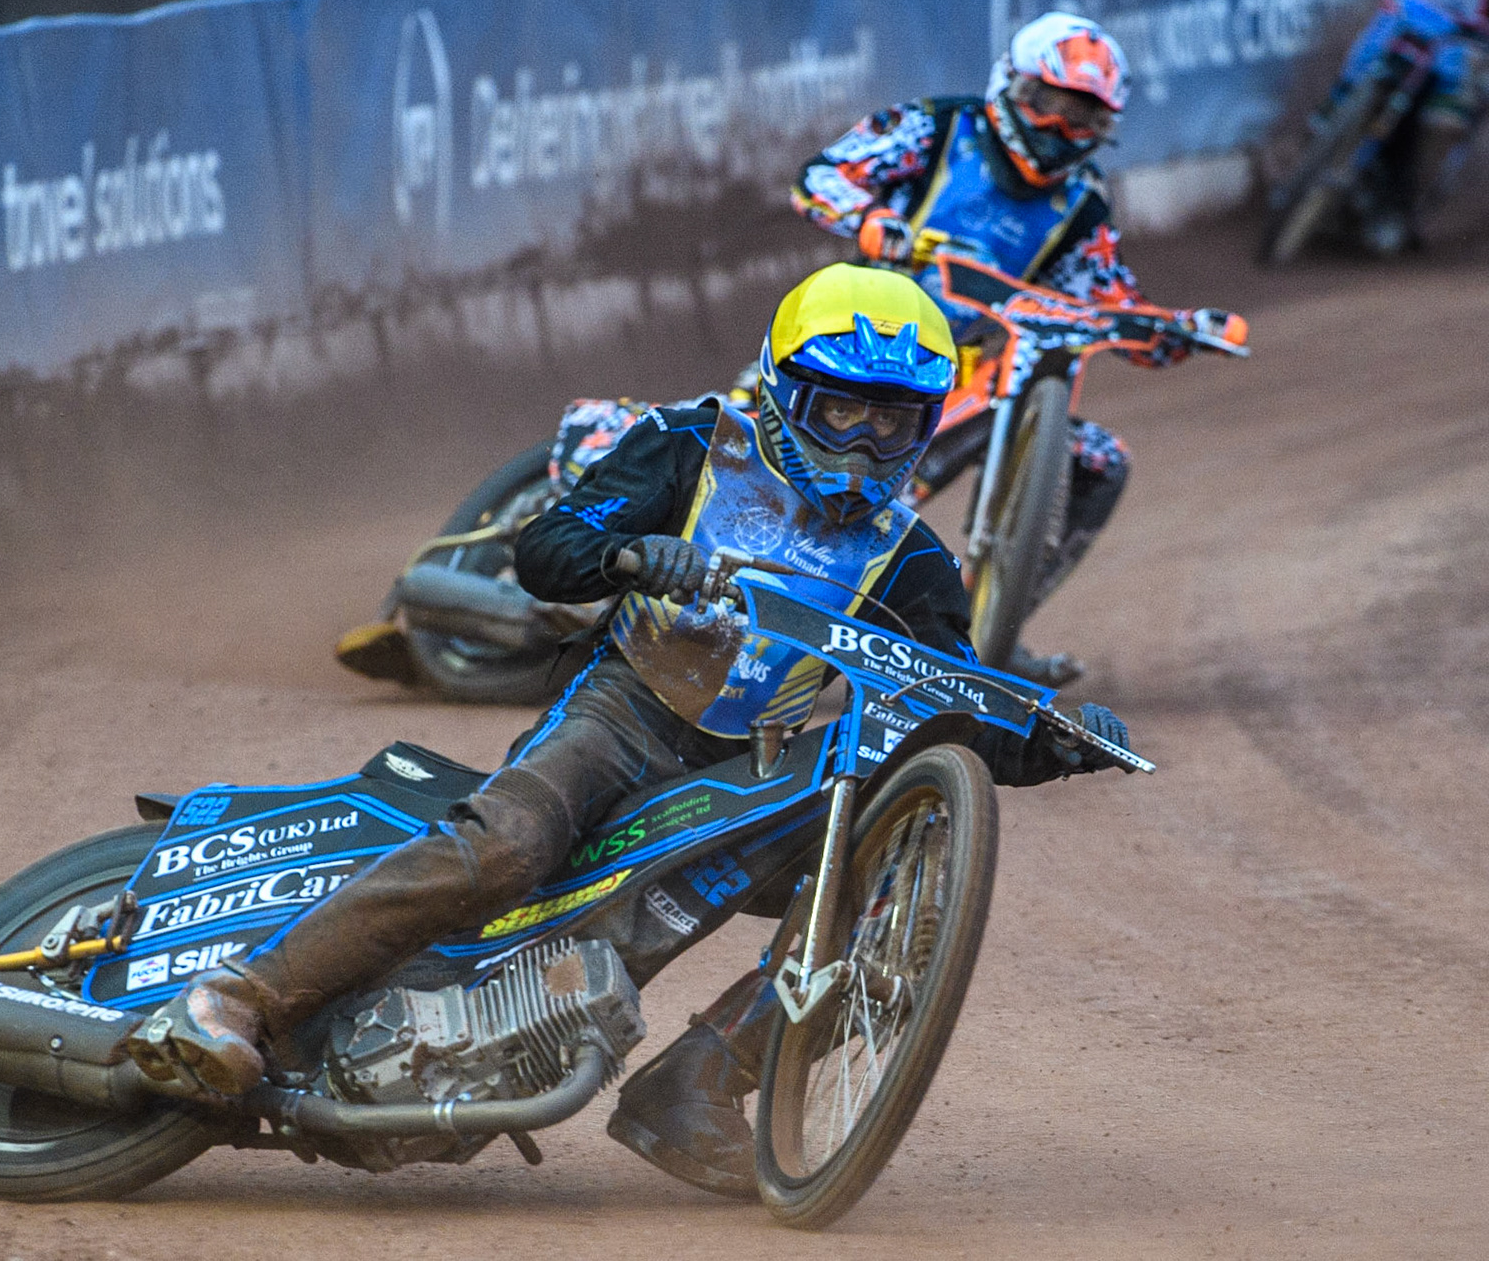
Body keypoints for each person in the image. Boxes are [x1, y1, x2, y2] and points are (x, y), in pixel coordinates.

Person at [122, 263, 1133, 1197]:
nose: (866, 442)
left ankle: (692, 1088)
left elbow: (955, 700)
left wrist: (1052, 741)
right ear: (787, 391)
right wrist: (633, 557)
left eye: (894, 419)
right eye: (842, 410)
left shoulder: (912, 559)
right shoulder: (695, 445)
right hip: (622, 710)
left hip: (753, 768)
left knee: (883, 901)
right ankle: (242, 996)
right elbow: (547, 546)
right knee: (510, 844)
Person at [792, 11, 1237, 686]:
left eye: (1083, 121)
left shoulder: (1082, 204)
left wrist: (1176, 331)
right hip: (853, 347)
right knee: (738, 439)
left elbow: (1108, 300)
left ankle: (980, 629)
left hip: (977, 367)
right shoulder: (939, 127)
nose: (1061, 130)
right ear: (1010, 86)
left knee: (1101, 460)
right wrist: (871, 218)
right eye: (1050, 107)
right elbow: (821, 177)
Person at [1318, 0, 1487, 253]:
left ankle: (1402, 206)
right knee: (1361, 63)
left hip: (1461, 47)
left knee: (1446, 123)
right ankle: (1314, 146)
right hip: (1408, 19)